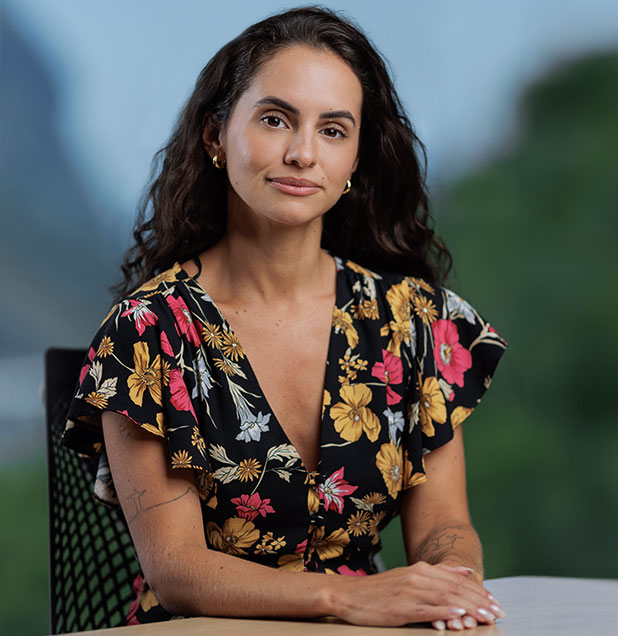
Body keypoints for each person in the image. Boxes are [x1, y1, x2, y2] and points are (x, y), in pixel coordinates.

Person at [63, 6, 507, 632]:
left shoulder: (412, 320)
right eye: (275, 120)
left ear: (355, 158)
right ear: (216, 136)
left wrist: (451, 587)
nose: (303, 154)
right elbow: (178, 570)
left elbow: (444, 525)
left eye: (333, 130)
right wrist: (345, 598)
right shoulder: (149, 331)